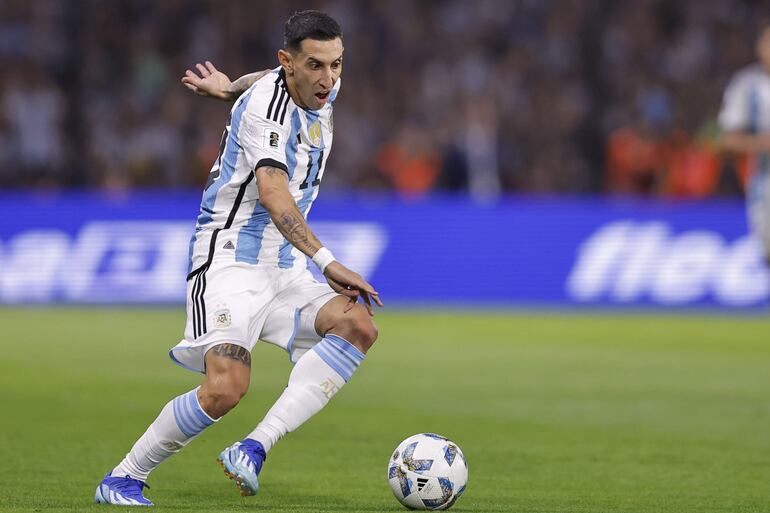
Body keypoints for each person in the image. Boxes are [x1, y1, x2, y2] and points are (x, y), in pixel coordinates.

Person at [95, 10, 382, 506]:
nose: (329, 79)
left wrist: (230, 89)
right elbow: (274, 194)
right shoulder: (264, 111)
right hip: (228, 259)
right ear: (288, 62)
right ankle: (123, 477)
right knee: (226, 388)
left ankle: (254, 447)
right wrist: (328, 261)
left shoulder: (314, 87)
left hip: (283, 268)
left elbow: (264, 78)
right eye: (315, 65)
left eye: (336, 65)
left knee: (357, 325)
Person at [718, 22, 770, 271]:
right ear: (759, 46)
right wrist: (761, 143)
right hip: (765, 187)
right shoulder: (747, 85)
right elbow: (727, 139)